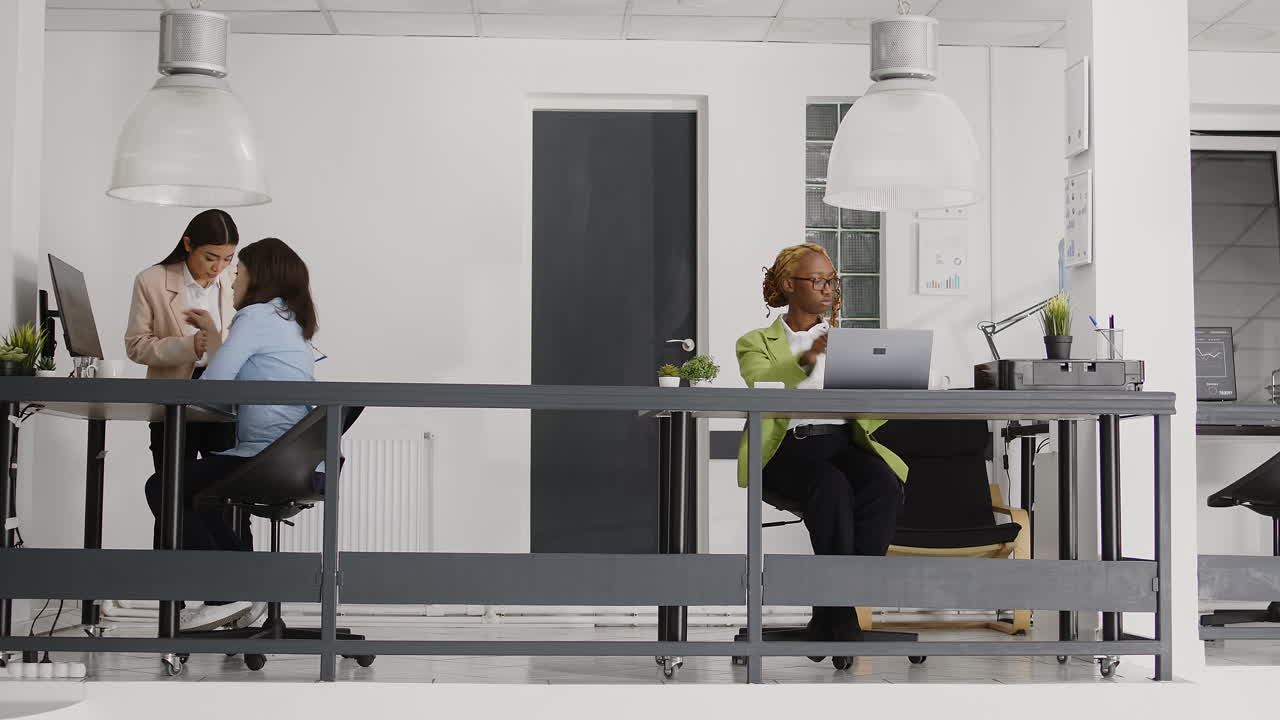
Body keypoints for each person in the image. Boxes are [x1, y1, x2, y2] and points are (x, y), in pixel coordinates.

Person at [735, 242, 908, 655]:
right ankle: (842, 616)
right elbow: (760, 381)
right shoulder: (755, 341)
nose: (828, 288)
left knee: (883, 484)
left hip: (842, 442)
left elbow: (870, 403)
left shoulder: (846, 341)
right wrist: (809, 356)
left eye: (831, 280)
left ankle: (835, 607)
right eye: (817, 280)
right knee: (830, 488)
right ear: (787, 285)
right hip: (786, 451)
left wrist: (894, 375)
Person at [143, 237, 319, 632]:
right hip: (302, 458)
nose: (232, 280)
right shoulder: (289, 320)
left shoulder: (255, 315)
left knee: (164, 488)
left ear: (259, 278)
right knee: (202, 497)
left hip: (272, 456)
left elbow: (218, 389)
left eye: (238, 272)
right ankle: (246, 590)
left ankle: (228, 593)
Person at [125, 209, 240, 477]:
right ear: (188, 244)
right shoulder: (151, 280)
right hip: (173, 398)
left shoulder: (235, 281)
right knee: (170, 494)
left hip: (224, 400)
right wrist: (188, 347)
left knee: (225, 495)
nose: (218, 268)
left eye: (227, 259)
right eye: (210, 258)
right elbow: (136, 345)